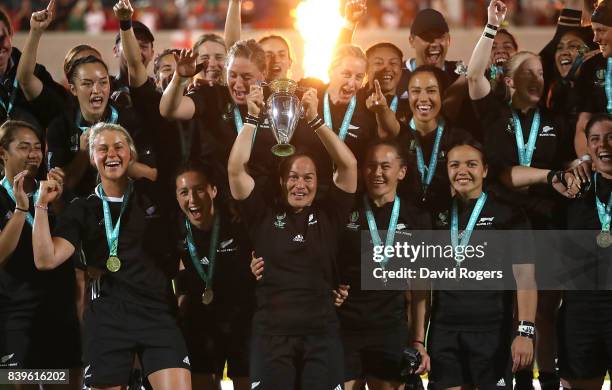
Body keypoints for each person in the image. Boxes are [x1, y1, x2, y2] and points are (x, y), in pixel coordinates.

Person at [32, 122, 191, 390]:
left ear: (131, 153)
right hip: (109, 317)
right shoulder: (81, 208)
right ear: (93, 159)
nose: (112, 154)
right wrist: (40, 204)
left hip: (157, 312)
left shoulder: (155, 197)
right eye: (102, 149)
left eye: (119, 147)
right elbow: (46, 259)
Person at [229, 83, 356, 389]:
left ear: (318, 182)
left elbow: (348, 164)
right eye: (293, 177)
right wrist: (251, 119)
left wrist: (316, 122)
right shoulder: (262, 215)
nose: (301, 184)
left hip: (321, 334)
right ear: (282, 182)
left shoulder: (330, 215)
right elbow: (235, 169)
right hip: (272, 335)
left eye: (308, 177)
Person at [423, 138, 537, 390]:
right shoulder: (434, 214)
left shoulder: (509, 214)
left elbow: (526, 278)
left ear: (484, 170)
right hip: (445, 331)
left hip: (492, 332)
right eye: (455, 165)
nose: (462, 171)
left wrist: (525, 332)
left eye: (471, 164)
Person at [337, 140, 431, 390]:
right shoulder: (347, 212)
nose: (377, 173)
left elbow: (420, 288)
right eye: (371, 166)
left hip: (389, 329)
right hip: (345, 327)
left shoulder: (416, 218)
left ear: (402, 171)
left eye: (385, 166)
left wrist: (418, 341)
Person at [0, 120, 81, 389]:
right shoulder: (1, 196)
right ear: (3, 154)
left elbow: (66, 243)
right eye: (24, 147)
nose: (33, 154)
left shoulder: (50, 192)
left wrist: (55, 202)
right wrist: (22, 210)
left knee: (65, 384)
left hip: (59, 312)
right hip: (18, 317)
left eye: (37, 147)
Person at [174, 161, 254, 390]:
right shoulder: (176, 229)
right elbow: (173, 271)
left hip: (241, 322)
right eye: (183, 192)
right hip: (200, 323)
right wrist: (181, 300)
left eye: (199, 189)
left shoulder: (237, 223)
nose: (192, 198)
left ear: (213, 190)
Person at [160, 39, 278, 186]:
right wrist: (179, 78)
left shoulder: (276, 102)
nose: (238, 84)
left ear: (263, 74)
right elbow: (170, 111)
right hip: (219, 200)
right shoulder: (212, 95)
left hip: (264, 200)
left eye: (247, 77)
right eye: (232, 75)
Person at [397, 65, 468, 214]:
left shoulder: (459, 138)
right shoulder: (397, 138)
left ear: (442, 95)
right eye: (415, 91)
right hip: (403, 224)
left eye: (431, 91)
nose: (423, 98)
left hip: (448, 222)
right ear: (408, 96)